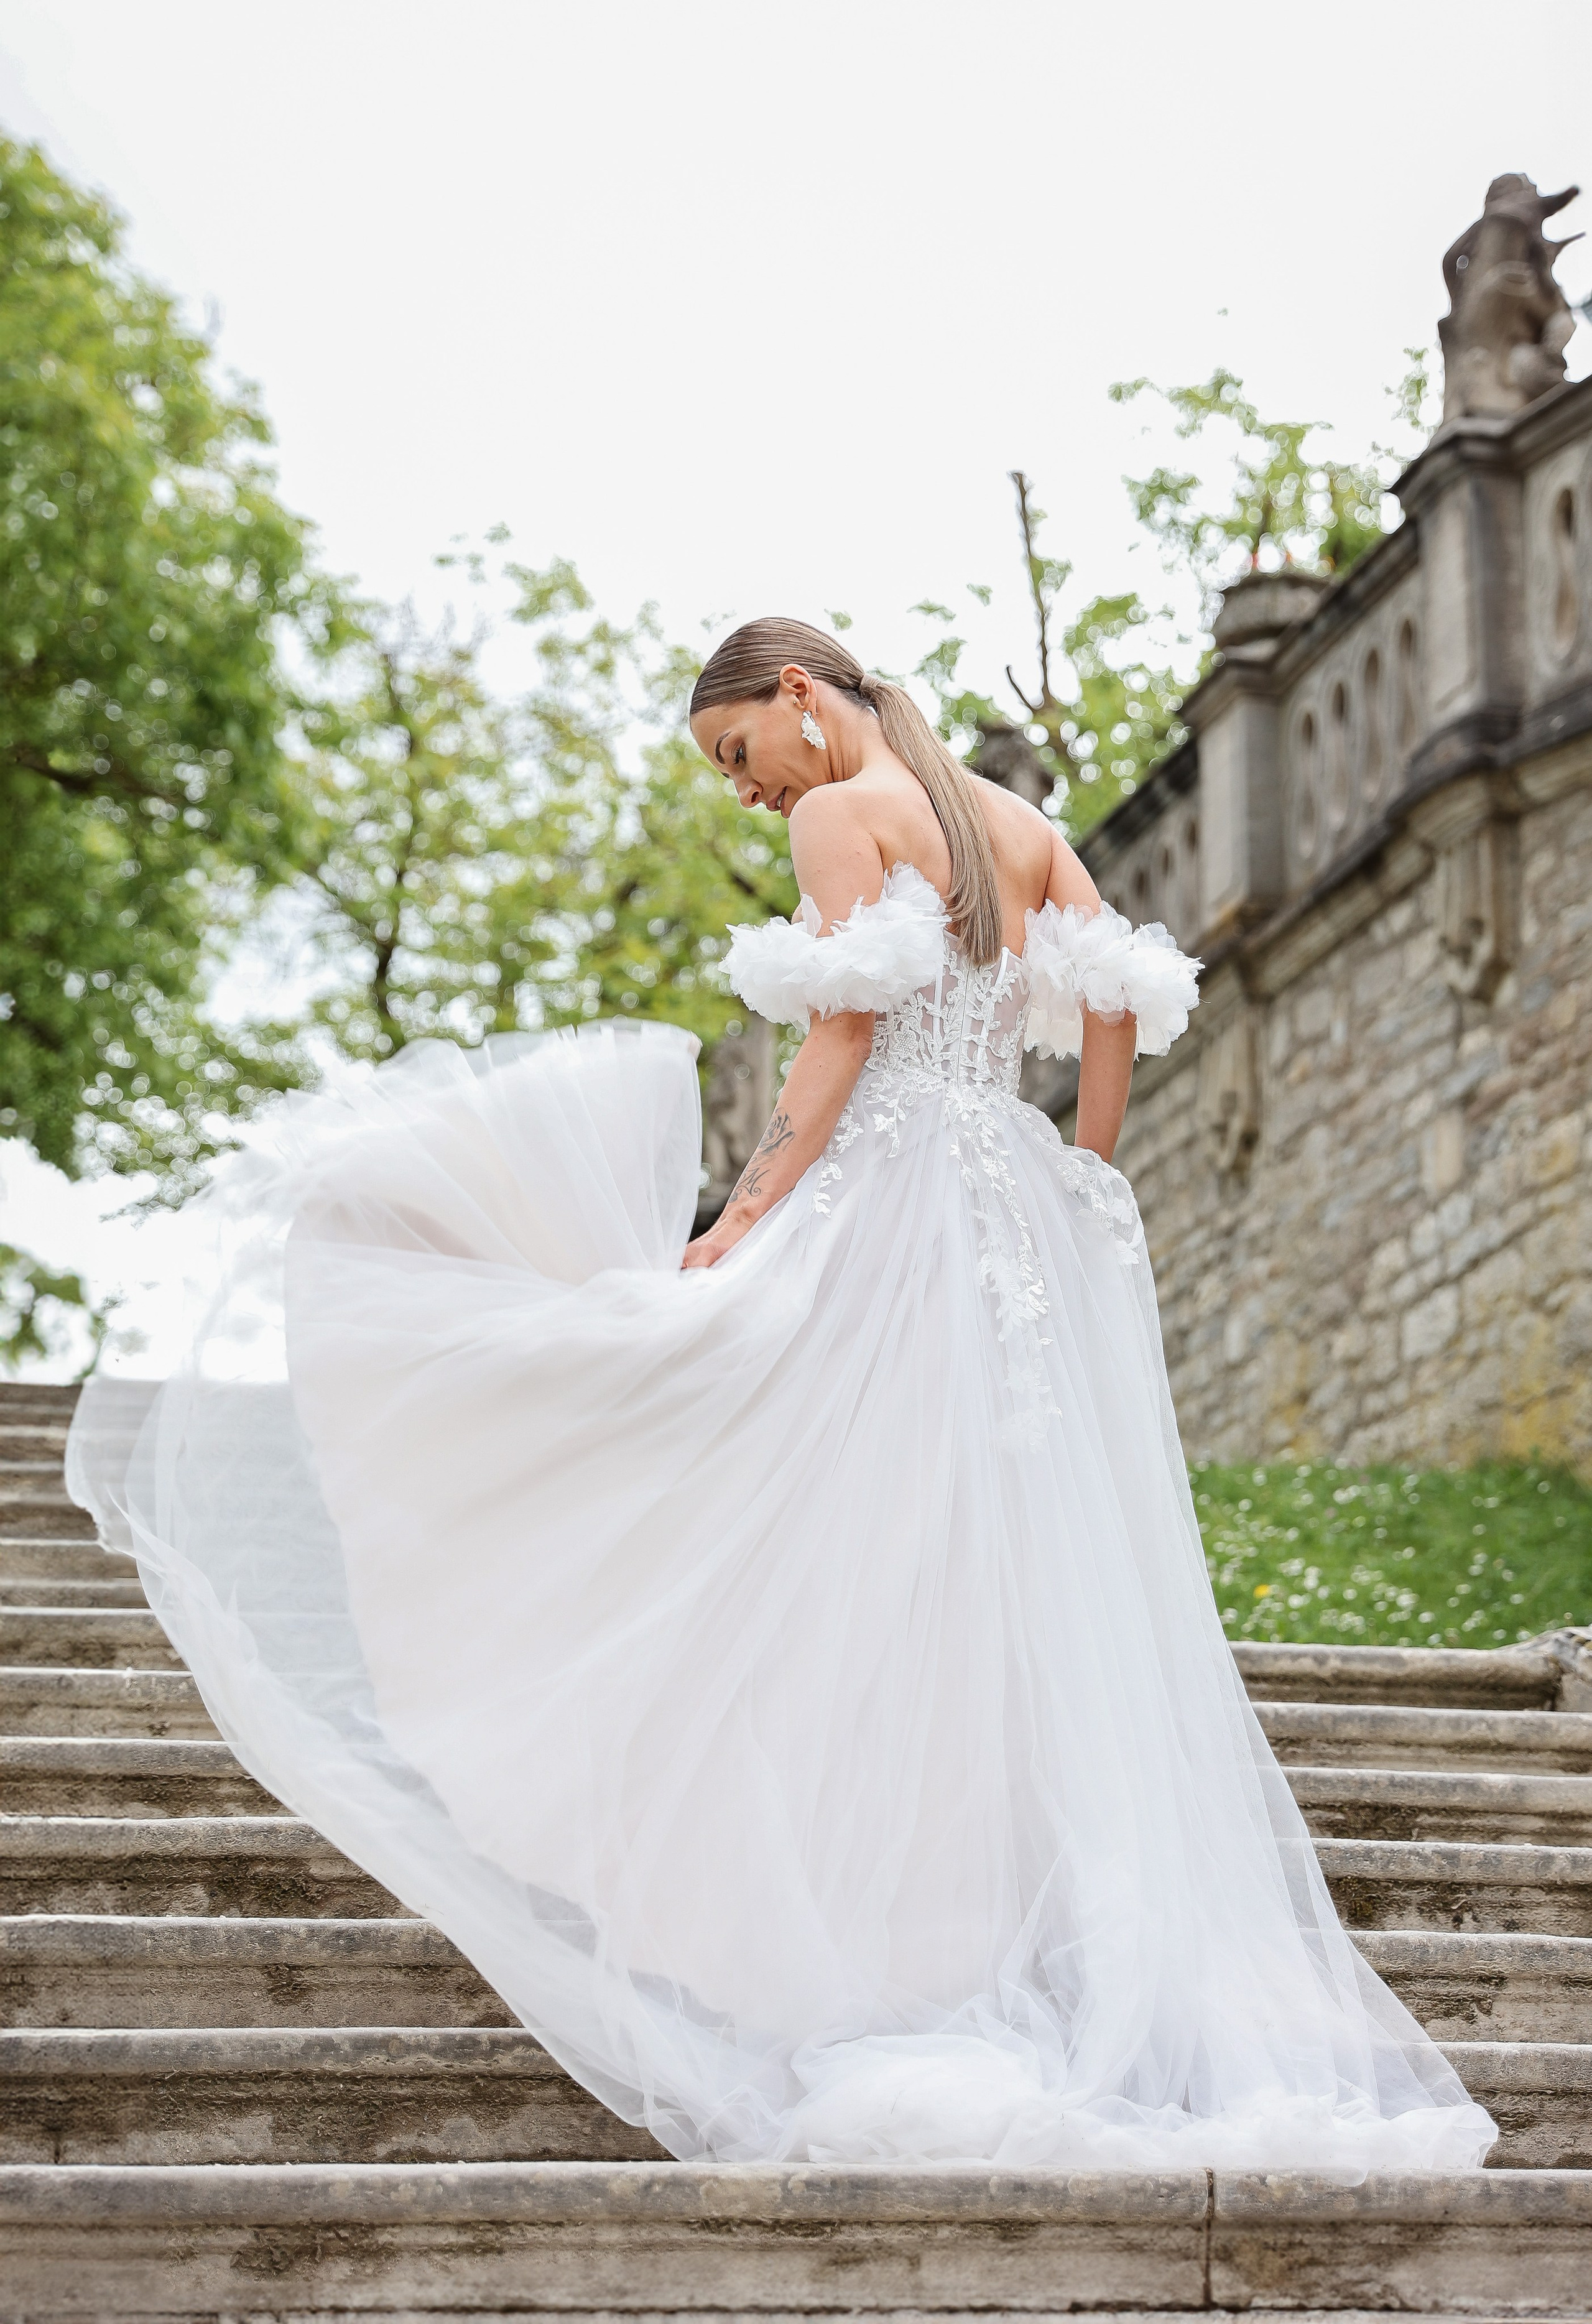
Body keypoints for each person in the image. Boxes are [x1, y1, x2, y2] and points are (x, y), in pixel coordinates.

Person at [67, 618, 1495, 2172]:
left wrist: (743, 1214)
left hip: (889, 1206)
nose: (743, 791)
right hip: (1011, 1214)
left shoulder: (841, 815)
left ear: (798, 696)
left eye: (735, 752)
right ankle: (971, 1931)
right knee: (975, 1564)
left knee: (760, 1479)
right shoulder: (1013, 826)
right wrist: (1083, 1168)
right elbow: (1116, 999)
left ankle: (867, 1922)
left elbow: (841, 1035)